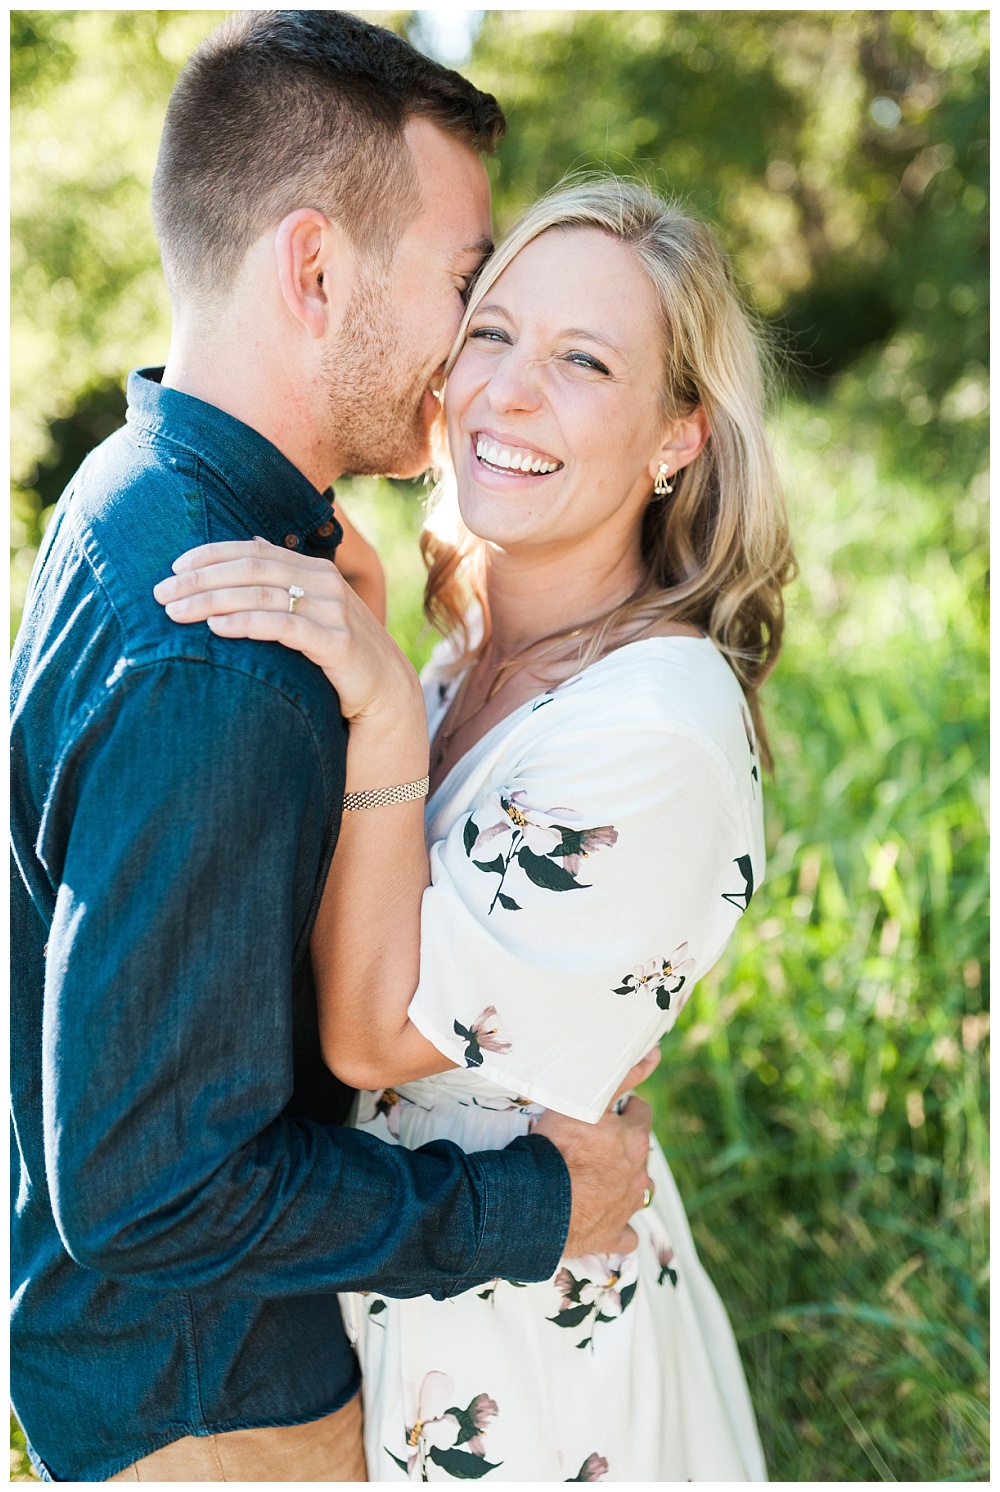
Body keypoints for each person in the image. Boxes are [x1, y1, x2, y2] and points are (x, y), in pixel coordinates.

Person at [9, 15, 657, 1484]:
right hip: (217, 1412)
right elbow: (149, 1189)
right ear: (315, 270)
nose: (475, 344)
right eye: (462, 282)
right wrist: (529, 1210)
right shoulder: (223, 652)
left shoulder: (133, 498)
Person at [156, 178, 795, 1480]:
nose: (506, 391)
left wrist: (380, 712)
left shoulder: (657, 725)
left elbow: (376, 1030)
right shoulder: (466, 662)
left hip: (531, 1382)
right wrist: (397, 674)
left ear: (678, 436)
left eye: (584, 361)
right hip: (398, 1307)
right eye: (491, 332)